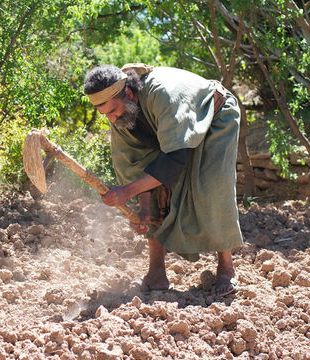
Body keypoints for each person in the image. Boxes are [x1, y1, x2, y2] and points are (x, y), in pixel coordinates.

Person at [83, 64, 243, 296]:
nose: (111, 118)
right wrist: (145, 210)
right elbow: (135, 165)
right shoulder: (120, 115)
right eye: (104, 114)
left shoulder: (163, 94)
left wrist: (126, 192)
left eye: (112, 110)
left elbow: (176, 159)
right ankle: (156, 274)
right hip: (174, 135)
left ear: (127, 94)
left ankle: (226, 269)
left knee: (212, 186)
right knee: (149, 185)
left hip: (215, 114)